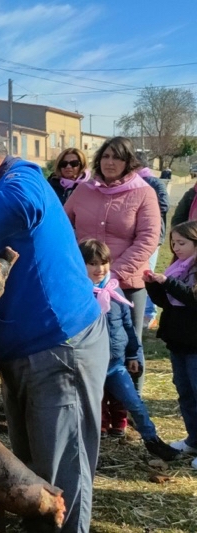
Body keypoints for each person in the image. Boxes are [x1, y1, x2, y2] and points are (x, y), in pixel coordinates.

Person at [0, 120, 109, 533]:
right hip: (23, 354)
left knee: (62, 470)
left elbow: (23, 203)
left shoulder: (20, 178)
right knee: (33, 469)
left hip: (59, 349)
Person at [64, 138, 160, 432]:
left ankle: (130, 409)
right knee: (85, 346)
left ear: (128, 161)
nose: (110, 162)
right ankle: (96, 412)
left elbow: (148, 239)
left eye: (117, 157)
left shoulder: (143, 193)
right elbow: (64, 228)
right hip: (83, 286)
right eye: (105, 156)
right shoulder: (83, 191)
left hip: (127, 284)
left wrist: (113, 275)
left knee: (128, 346)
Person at [79, 239, 179, 459]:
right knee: (89, 410)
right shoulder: (77, 295)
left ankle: (153, 441)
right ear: (80, 265)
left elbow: (128, 326)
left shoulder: (114, 292)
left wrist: (133, 354)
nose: (100, 269)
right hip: (88, 366)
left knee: (134, 403)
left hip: (115, 364)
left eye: (104, 263)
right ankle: (88, 453)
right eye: (93, 264)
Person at [144, 221, 197, 467]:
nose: (176, 248)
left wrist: (166, 282)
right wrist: (152, 285)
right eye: (173, 243)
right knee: (185, 393)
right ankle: (193, 440)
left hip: (195, 343)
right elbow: (167, 302)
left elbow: (190, 298)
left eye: (182, 243)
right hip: (179, 341)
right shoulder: (177, 267)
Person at [136, 158, 169, 333]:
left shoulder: (153, 182)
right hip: (135, 237)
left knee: (148, 274)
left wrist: (143, 209)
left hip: (153, 237)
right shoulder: (130, 182)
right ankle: (140, 312)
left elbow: (164, 205)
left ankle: (150, 314)